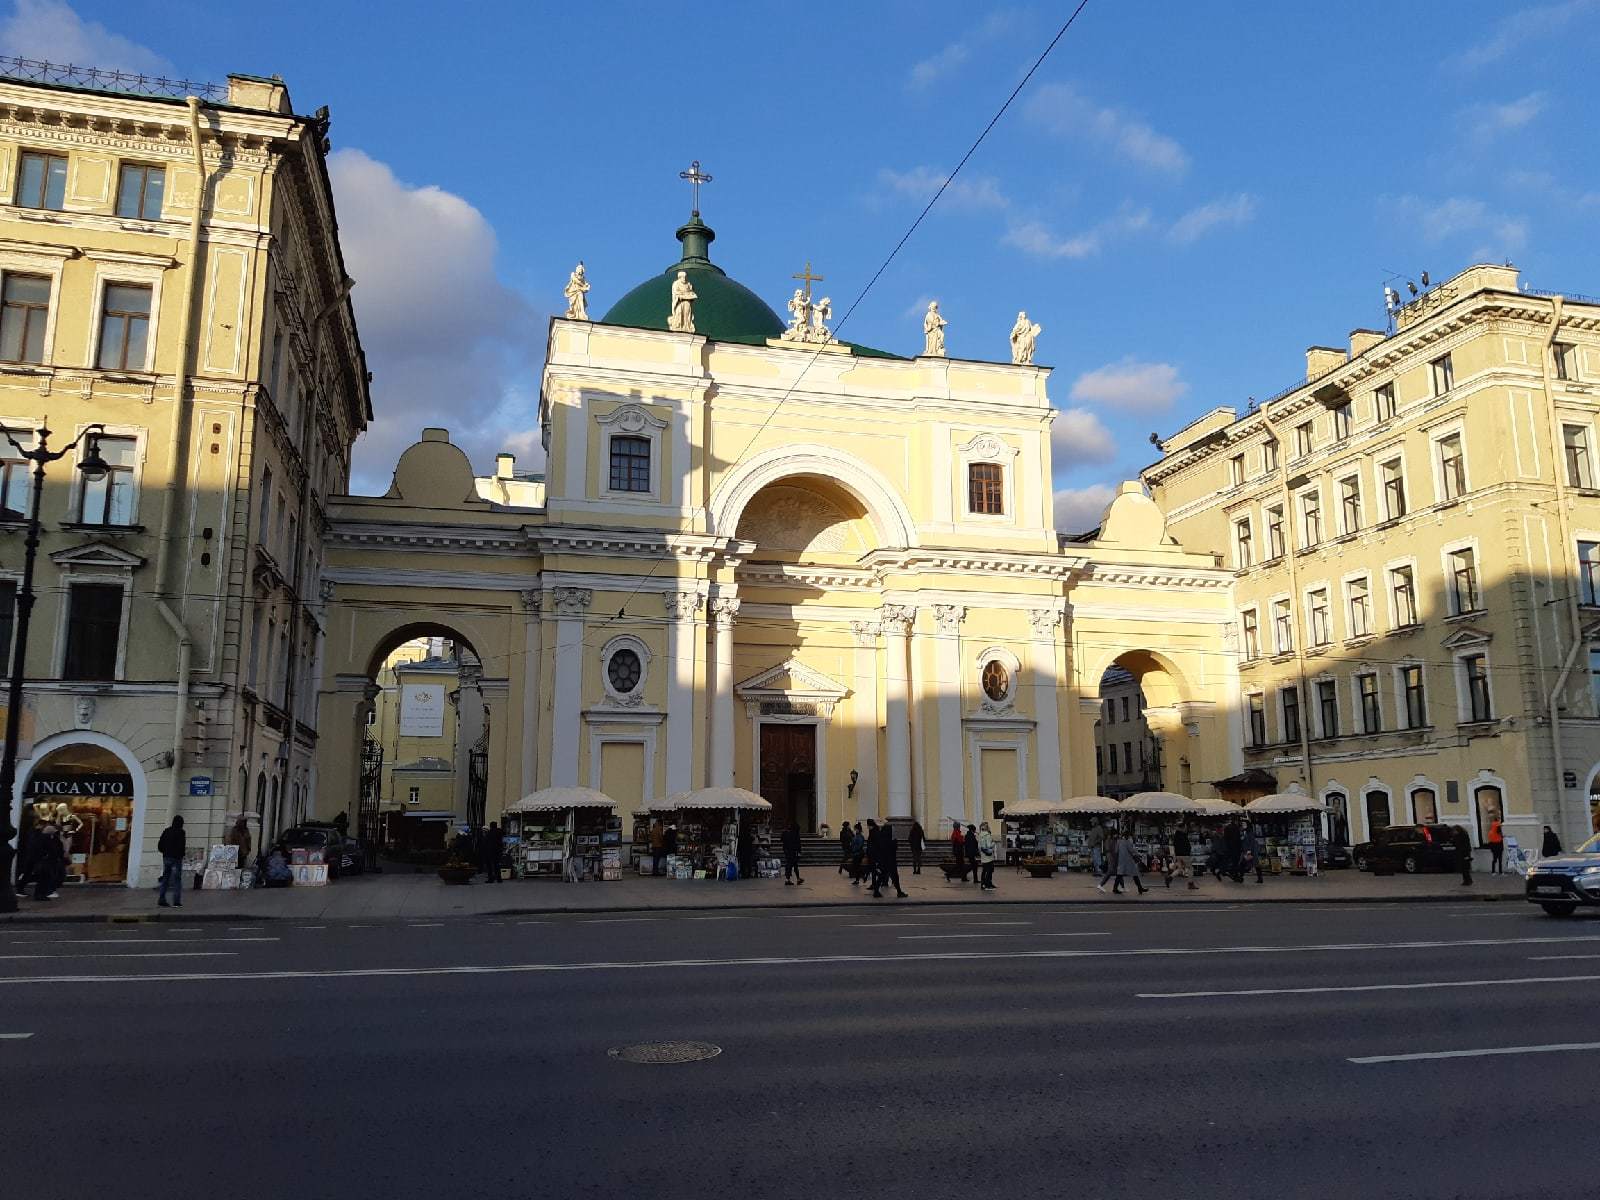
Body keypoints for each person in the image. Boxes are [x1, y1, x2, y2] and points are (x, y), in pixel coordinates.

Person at [157, 815, 186, 907]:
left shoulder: (167, 831)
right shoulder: (181, 832)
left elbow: (160, 845)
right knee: (177, 880)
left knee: (165, 878)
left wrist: (165, 852)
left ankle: (161, 899)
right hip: (176, 858)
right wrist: (181, 855)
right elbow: (182, 846)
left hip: (166, 857)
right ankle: (176, 901)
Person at [30, 824, 65, 901]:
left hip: (46, 861)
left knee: (44, 879)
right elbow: (53, 850)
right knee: (45, 878)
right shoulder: (47, 839)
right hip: (46, 862)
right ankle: (41, 894)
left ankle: (41, 894)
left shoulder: (42, 839)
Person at [1113, 831, 1149, 895]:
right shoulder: (1127, 842)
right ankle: (1140, 888)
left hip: (1121, 861)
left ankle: (1115, 888)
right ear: (1127, 836)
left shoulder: (1118, 842)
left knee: (1119, 875)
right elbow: (1132, 850)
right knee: (1135, 874)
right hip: (1128, 861)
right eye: (1129, 836)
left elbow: (1116, 851)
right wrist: (1138, 855)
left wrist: (1116, 860)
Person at [878, 821, 908, 898]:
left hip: (884, 861)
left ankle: (876, 891)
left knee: (882, 875)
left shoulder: (881, 839)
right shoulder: (891, 840)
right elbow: (894, 848)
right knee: (895, 877)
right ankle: (899, 891)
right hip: (891, 861)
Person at [1172, 825, 1197, 890]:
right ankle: (1190, 884)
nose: (1185, 828)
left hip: (1178, 854)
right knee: (1190, 868)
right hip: (1185, 854)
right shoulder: (1183, 835)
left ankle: (1169, 877)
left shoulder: (1176, 835)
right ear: (1181, 828)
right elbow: (1187, 845)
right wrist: (1188, 852)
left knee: (1180, 869)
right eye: (1184, 827)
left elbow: (1174, 845)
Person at [977, 822, 998, 892]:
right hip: (989, 856)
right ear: (987, 828)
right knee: (989, 871)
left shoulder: (980, 835)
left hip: (983, 855)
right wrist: (993, 843)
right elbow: (989, 846)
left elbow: (979, 846)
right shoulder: (987, 835)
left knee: (984, 870)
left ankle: (983, 884)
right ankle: (988, 884)